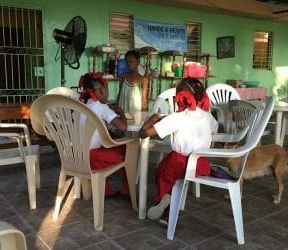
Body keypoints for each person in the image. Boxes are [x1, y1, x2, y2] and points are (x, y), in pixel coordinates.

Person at [139, 78, 218, 227]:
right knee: (175, 178)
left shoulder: (177, 117)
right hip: (200, 165)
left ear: (180, 97)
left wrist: (152, 119)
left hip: (178, 163)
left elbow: (144, 134)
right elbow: (215, 128)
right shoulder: (208, 116)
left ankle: (165, 201)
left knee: (162, 172)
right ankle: (169, 205)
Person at [78, 72, 129, 197]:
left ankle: (106, 190)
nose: (107, 93)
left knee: (111, 138)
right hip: (94, 156)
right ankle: (127, 190)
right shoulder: (102, 108)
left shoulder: (80, 105)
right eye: (107, 90)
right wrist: (121, 113)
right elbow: (123, 127)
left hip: (77, 154)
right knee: (129, 150)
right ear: (101, 91)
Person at [116, 50, 149, 114]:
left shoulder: (143, 79)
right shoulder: (123, 76)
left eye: (131, 61)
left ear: (138, 62)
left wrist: (144, 114)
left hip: (136, 112)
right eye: (126, 62)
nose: (128, 64)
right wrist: (117, 107)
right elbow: (120, 93)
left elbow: (144, 99)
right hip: (123, 110)